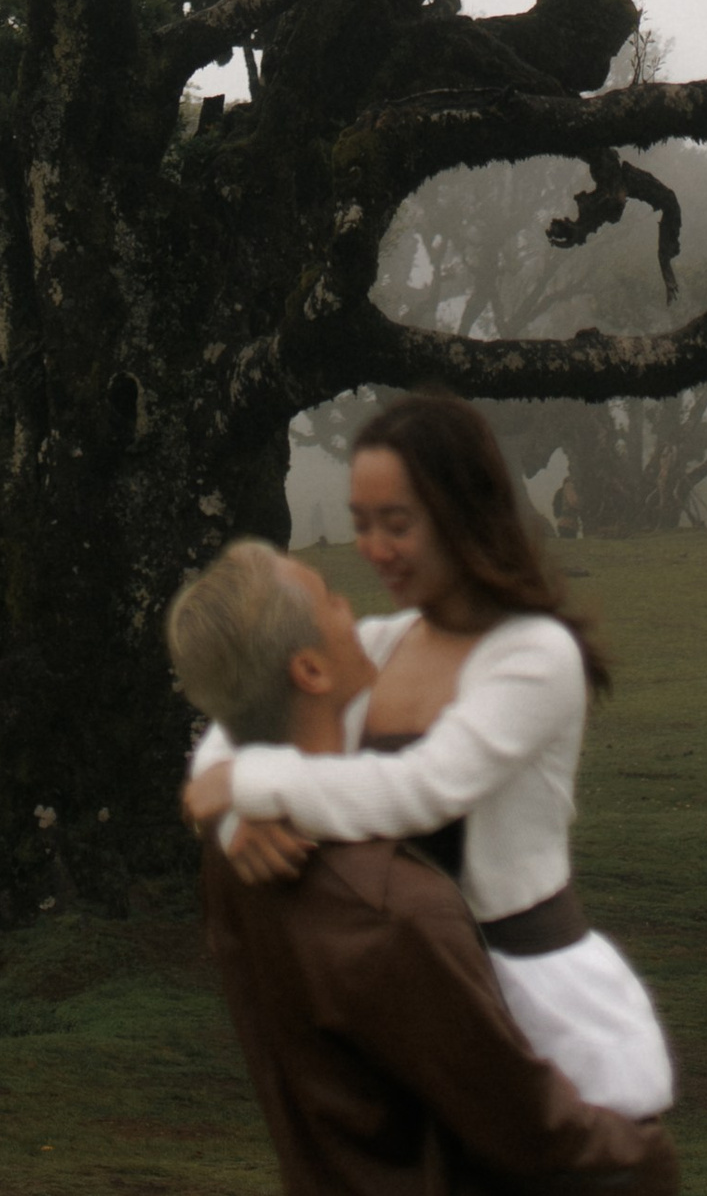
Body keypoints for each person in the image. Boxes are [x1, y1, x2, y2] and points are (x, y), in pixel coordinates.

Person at [183, 392, 675, 1122]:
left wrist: (248, 784)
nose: (373, 548)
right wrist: (236, 820)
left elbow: (422, 789)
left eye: (397, 524)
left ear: (462, 515)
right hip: (422, 1013)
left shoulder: (536, 656)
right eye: (361, 525)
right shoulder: (387, 644)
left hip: (545, 1024)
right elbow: (247, 714)